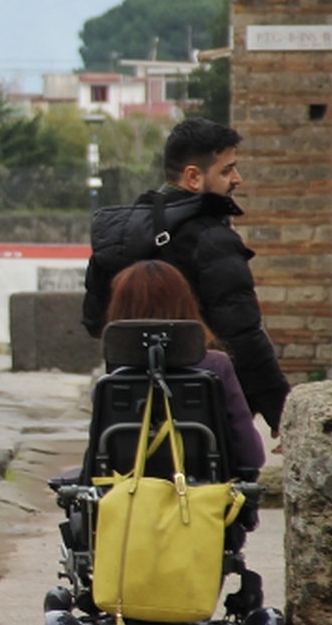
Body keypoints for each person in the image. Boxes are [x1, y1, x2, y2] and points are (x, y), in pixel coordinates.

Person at [82, 118, 290, 433]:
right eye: (226, 170)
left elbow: (95, 322)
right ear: (193, 177)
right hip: (203, 413)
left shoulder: (120, 234)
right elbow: (244, 335)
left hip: (127, 412)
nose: (238, 178)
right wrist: (280, 414)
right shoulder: (211, 238)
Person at [105, 260, 265, 473]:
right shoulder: (215, 366)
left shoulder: (114, 379)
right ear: (185, 303)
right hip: (202, 493)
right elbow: (252, 456)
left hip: (129, 497)